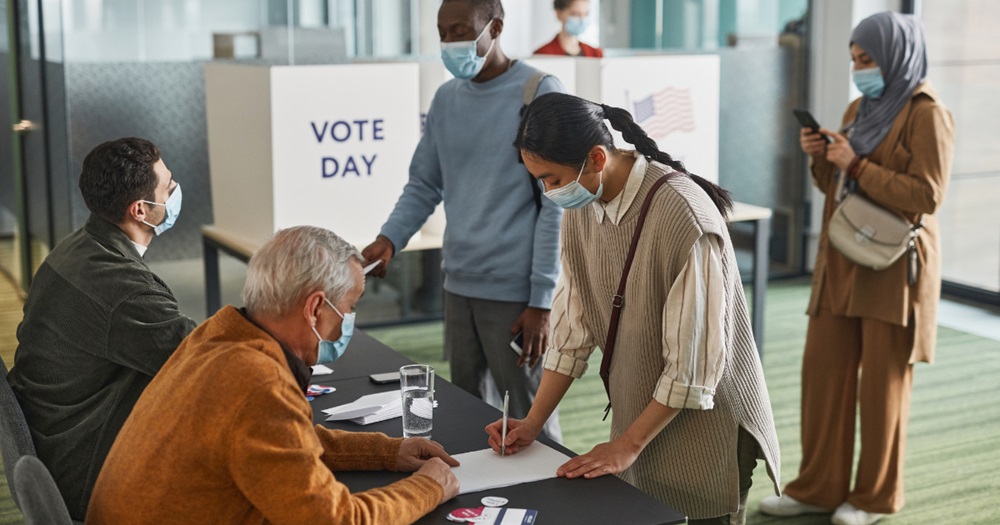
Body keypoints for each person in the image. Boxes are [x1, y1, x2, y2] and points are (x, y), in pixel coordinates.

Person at [486, 92, 781, 525]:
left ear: (597, 158)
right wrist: (532, 422)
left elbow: (692, 370)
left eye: (551, 179)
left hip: (709, 424)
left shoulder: (683, 214)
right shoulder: (583, 203)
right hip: (646, 412)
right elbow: (573, 329)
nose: (548, 193)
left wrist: (626, 444)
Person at [87, 226, 460, 524]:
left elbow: (285, 443)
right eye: (348, 308)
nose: (346, 323)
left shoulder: (216, 335)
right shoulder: (258, 383)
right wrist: (426, 487)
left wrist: (388, 451)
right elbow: (335, 521)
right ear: (315, 307)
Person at [760, 12, 954, 525]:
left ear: (895, 57)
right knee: (823, 374)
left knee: (882, 386)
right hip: (843, 260)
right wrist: (822, 160)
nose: (858, 69)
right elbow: (843, 193)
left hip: (893, 269)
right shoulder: (859, 107)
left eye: (866, 60)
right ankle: (819, 489)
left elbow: (928, 196)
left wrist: (855, 164)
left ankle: (873, 498)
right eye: (854, 59)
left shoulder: (926, 112)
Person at [363, 0, 565, 441]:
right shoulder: (446, 98)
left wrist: (542, 300)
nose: (450, 43)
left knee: (534, 425)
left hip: (517, 296)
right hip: (459, 286)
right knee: (468, 415)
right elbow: (423, 185)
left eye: (460, 31)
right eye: (442, 33)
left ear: (495, 27)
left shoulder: (539, 92)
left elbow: (556, 205)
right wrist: (390, 238)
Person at [6, 137, 195, 520]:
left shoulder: (76, 247)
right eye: (168, 186)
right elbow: (206, 359)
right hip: (88, 469)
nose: (175, 191)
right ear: (141, 210)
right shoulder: (126, 292)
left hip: (56, 441)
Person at [533, 0, 603, 57]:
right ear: (559, 13)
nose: (582, 20)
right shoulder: (542, 54)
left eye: (586, 14)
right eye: (575, 14)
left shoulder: (596, 54)